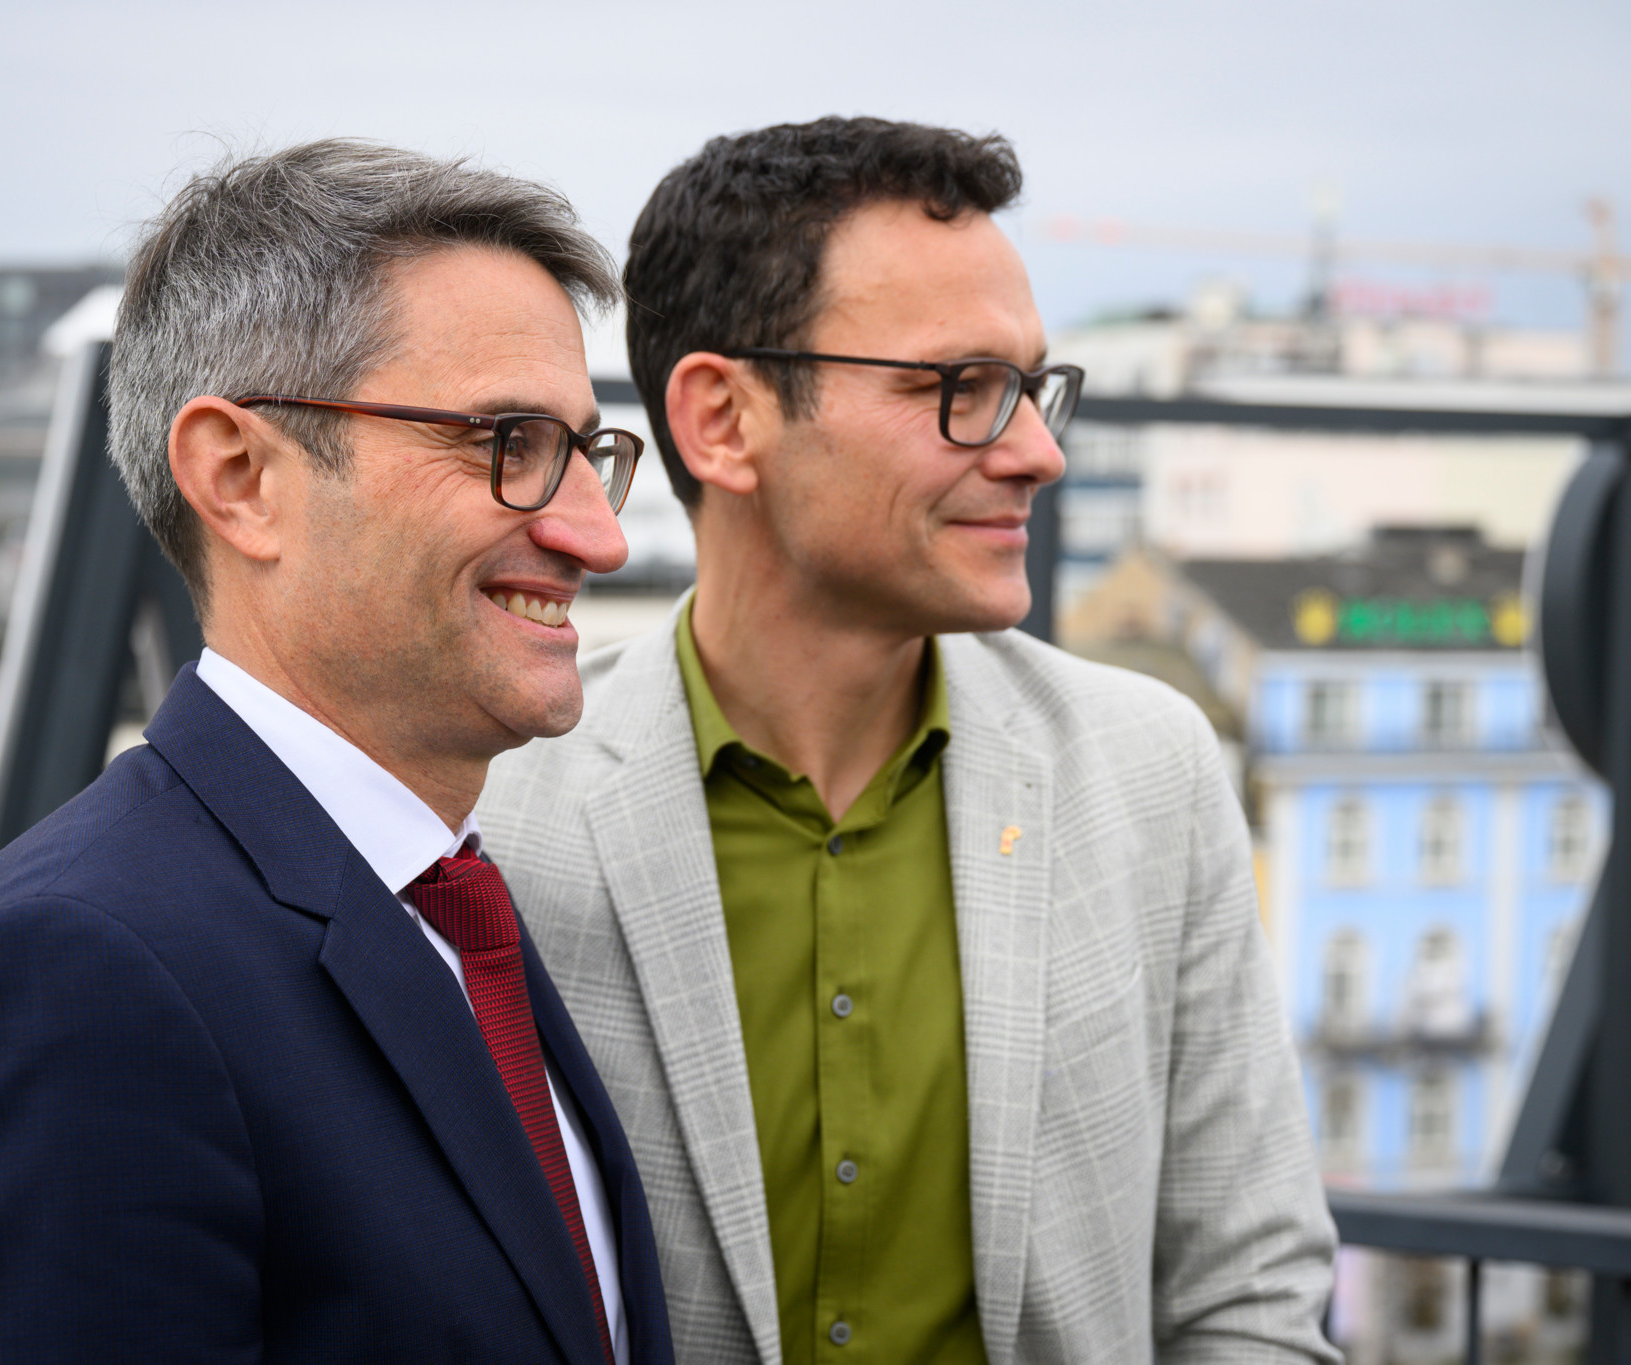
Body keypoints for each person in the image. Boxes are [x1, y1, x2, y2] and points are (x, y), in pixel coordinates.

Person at [480, 117, 1337, 1364]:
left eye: (1031, 387)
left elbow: (1250, 1293)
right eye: (959, 390)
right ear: (721, 419)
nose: (1037, 452)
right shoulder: (498, 815)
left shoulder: (1149, 771)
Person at [0, 140, 673, 1365]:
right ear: (238, 477)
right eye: (507, 442)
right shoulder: (76, 977)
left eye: (587, 453)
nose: (597, 536)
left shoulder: (451, 904)